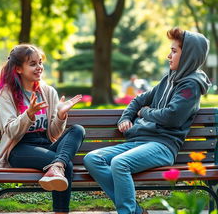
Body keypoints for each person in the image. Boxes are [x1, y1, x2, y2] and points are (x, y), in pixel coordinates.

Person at [83, 27, 211, 214]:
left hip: (163, 145)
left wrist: (145, 113)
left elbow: (172, 117)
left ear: (189, 56)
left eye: (174, 51)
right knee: (93, 159)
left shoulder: (191, 85)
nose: (169, 56)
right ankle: (134, 210)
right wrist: (126, 117)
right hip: (139, 141)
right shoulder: (168, 79)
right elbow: (138, 100)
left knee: (120, 163)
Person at [0, 44, 85, 214]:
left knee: (78, 130)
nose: (39, 68)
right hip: (19, 148)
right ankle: (61, 207)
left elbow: (55, 133)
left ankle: (56, 166)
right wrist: (28, 115)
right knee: (67, 165)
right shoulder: (7, 93)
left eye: (40, 63)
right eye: (33, 64)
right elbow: (10, 131)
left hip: (45, 144)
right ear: (19, 69)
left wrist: (60, 115)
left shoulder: (48, 92)